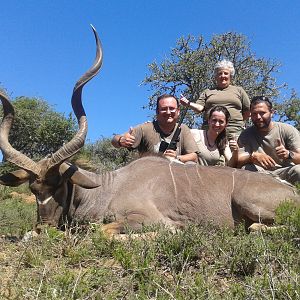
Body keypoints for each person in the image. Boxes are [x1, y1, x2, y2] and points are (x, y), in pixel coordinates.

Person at [112, 94, 198, 163]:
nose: (168, 112)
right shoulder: (144, 128)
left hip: (175, 175)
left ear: (178, 111)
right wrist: (121, 140)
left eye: (171, 108)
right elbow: (114, 141)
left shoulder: (183, 129)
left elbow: (194, 156)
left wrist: (176, 158)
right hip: (149, 176)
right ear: (157, 112)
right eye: (164, 109)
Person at [180, 59, 250, 139]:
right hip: (210, 132)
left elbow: (247, 112)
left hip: (234, 132)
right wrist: (188, 103)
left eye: (226, 73)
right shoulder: (208, 92)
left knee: (235, 151)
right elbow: (199, 108)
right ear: (215, 77)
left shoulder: (239, 90)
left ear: (230, 76)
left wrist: (236, 122)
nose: (223, 76)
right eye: (220, 73)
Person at [237, 96, 300, 185]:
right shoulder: (246, 134)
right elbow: (238, 160)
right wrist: (252, 157)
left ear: (272, 113)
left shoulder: (287, 130)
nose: (258, 117)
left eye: (262, 113)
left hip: (284, 171)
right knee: (245, 169)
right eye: (254, 114)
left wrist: (288, 154)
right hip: (260, 173)